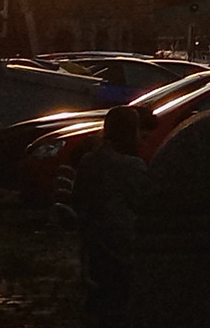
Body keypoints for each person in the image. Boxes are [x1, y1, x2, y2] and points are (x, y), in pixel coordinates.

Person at [71, 106, 149, 326]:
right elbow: (145, 203)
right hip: (124, 246)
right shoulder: (132, 166)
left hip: (94, 244)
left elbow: (77, 198)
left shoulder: (89, 161)